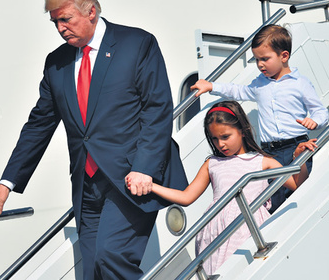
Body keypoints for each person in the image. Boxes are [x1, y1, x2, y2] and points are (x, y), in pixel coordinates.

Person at [0, 0, 188, 280]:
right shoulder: (57, 63)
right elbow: (39, 125)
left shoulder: (136, 44)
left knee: (111, 258)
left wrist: (145, 168)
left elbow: (157, 108)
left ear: (91, 11)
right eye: (55, 22)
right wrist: (7, 183)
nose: (61, 28)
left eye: (66, 19)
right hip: (86, 184)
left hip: (130, 178)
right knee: (92, 271)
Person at [128, 101, 316, 275]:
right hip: (215, 230)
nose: (220, 144)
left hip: (250, 225)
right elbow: (186, 197)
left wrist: (299, 158)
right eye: (215, 139)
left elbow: (297, 184)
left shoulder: (263, 161)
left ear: (242, 130)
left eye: (225, 137)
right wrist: (151, 186)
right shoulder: (212, 163)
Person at [191, 24, 328, 213]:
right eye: (256, 60)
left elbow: (321, 112)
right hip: (269, 152)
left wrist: (315, 121)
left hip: (295, 147)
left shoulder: (300, 84)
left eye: (265, 59)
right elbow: (238, 91)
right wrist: (212, 86)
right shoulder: (260, 84)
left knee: (293, 195)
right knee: (271, 197)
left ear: (284, 56)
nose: (260, 64)